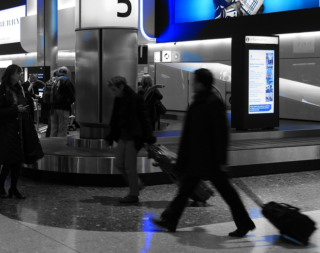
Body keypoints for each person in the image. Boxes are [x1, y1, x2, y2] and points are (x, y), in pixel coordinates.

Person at [153, 68, 255, 237]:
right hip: (197, 158)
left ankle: (244, 223)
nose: (192, 83)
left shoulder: (213, 103)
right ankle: (169, 220)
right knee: (185, 190)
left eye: (195, 81)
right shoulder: (198, 103)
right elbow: (188, 134)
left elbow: (221, 134)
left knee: (227, 193)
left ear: (201, 83)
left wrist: (222, 161)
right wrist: (182, 160)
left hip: (212, 160)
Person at [104, 76, 156, 204]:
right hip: (122, 137)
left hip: (134, 138)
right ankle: (136, 184)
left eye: (114, 89)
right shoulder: (118, 98)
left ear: (122, 86)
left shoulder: (136, 98)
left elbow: (144, 118)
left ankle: (133, 194)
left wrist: (148, 137)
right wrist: (110, 136)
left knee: (129, 166)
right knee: (118, 164)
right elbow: (114, 118)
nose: (113, 92)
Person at [0, 65, 42, 200]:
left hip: (20, 129)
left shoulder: (19, 89)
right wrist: (16, 109)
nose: (20, 76)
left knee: (17, 160)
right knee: (9, 160)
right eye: (18, 73)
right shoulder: (1, 90)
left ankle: (13, 188)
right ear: (10, 75)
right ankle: (1, 187)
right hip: (7, 130)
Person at [48, 67, 76, 137]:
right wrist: (70, 102)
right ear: (65, 73)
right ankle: (60, 146)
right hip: (63, 107)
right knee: (62, 128)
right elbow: (71, 94)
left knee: (54, 128)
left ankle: (52, 145)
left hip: (52, 108)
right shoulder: (66, 80)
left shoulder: (52, 79)